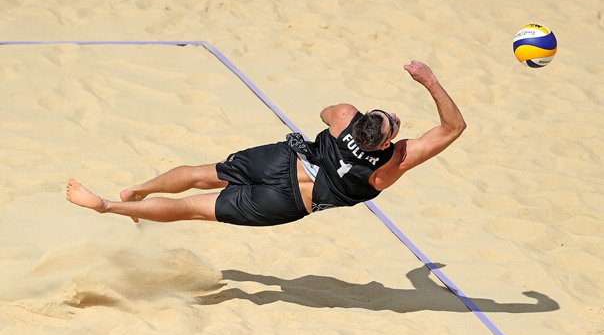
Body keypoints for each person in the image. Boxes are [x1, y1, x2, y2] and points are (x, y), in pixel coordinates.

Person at [66, 60, 466, 226]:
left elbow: (326, 112)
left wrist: (352, 122)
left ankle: (137, 189)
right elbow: (452, 127)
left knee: (201, 174)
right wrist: (430, 81)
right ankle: (107, 206)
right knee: (192, 210)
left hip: (281, 162)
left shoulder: (344, 116)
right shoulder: (389, 166)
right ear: (389, 141)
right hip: (291, 201)